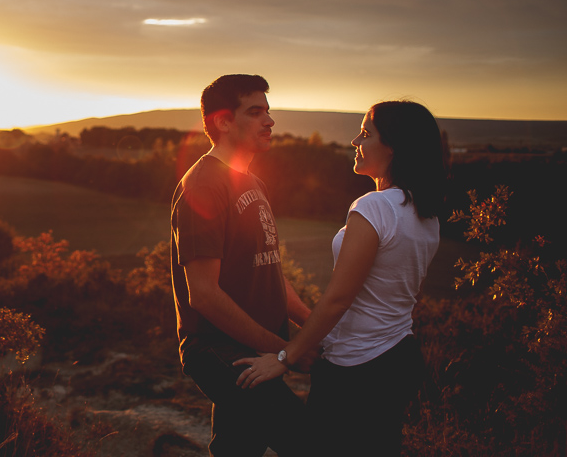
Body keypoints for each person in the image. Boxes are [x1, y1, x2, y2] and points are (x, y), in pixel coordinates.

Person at [236, 100, 448, 456]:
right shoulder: (426, 216)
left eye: (365, 133)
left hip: (357, 369)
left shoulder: (373, 207)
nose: (354, 141)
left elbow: (338, 298)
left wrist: (285, 357)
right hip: (399, 358)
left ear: (393, 145)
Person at [170, 74, 316, 457]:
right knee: (310, 444)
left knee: (238, 450)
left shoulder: (253, 183)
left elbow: (269, 272)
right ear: (223, 121)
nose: (269, 121)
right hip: (220, 351)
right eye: (255, 112)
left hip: (254, 347)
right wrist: (286, 350)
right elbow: (202, 294)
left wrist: (311, 327)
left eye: (268, 111)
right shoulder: (203, 184)